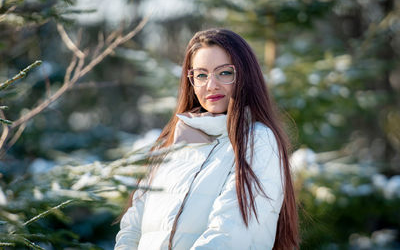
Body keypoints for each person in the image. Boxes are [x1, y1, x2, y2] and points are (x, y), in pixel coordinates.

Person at [115, 28, 299, 250]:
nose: (211, 85)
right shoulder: (171, 144)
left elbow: (230, 235)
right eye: (201, 75)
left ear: (244, 75)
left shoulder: (257, 141)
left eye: (224, 73)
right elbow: (132, 228)